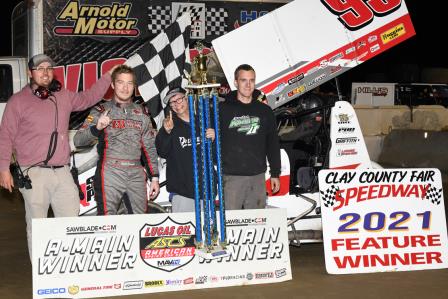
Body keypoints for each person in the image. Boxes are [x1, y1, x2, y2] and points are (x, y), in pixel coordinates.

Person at [0, 53, 115, 258]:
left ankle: (65, 271)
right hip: (33, 173)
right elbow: (5, 136)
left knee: (70, 224)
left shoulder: (63, 96)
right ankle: (41, 272)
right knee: (37, 226)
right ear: (30, 73)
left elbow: (88, 97)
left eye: (49, 68)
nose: (45, 72)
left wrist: (107, 77)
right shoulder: (17, 101)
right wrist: (3, 170)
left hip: (62, 172)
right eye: (40, 68)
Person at [74, 65, 160, 215]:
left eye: (129, 83)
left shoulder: (142, 113)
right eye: (120, 82)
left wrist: (155, 177)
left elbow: (149, 147)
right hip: (110, 172)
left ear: (134, 87)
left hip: (136, 172)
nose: (125, 88)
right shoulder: (100, 110)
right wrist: (97, 128)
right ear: (113, 85)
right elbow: (78, 140)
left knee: (140, 222)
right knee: (108, 223)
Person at [220, 64, 281, 209]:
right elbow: (207, 136)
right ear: (236, 82)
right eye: (243, 80)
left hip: (257, 178)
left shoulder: (265, 111)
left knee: (257, 225)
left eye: (251, 80)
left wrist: (275, 173)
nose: (248, 85)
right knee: (231, 226)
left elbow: (272, 144)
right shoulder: (222, 109)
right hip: (231, 178)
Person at [155, 87, 215, 212]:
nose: (177, 104)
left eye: (179, 99)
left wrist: (214, 139)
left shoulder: (203, 122)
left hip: (206, 189)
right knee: (185, 231)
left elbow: (215, 156)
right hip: (182, 192)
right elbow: (162, 151)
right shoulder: (169, 125)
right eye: (172, 102)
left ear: (187, 98)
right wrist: (166, 132)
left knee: (208, 230)